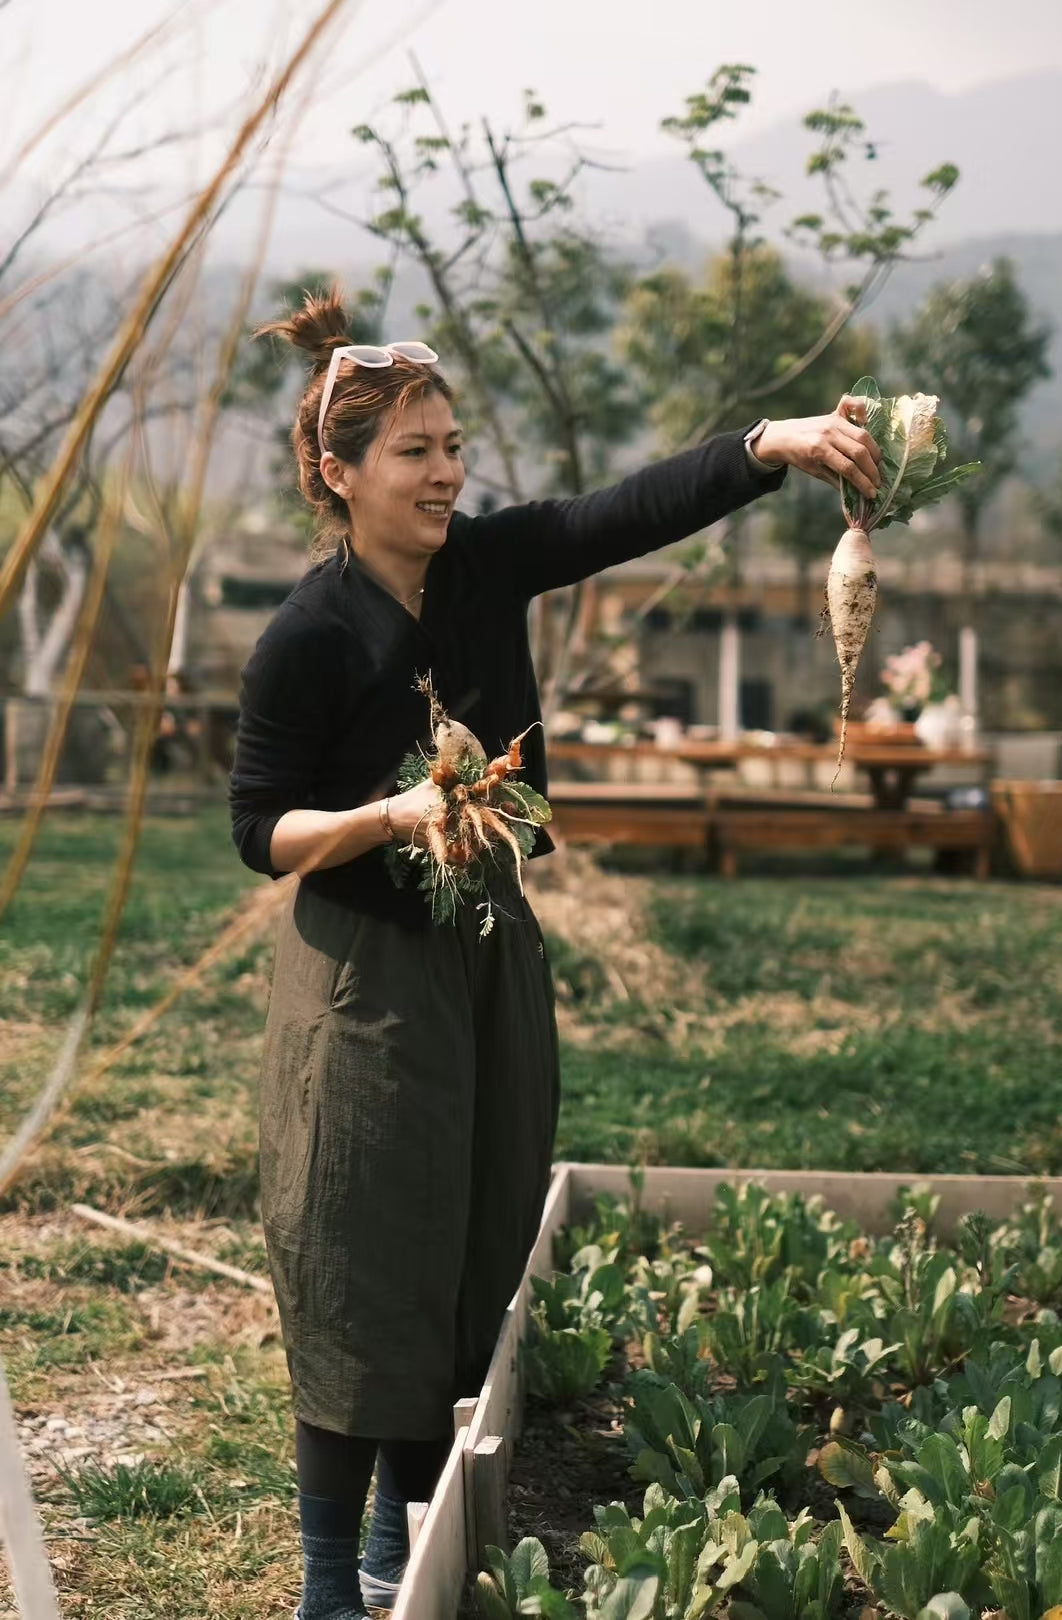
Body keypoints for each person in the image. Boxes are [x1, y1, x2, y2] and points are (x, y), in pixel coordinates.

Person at [229, 288, 882, 1620]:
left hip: (487, 956)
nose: (447, 471)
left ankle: (399, 1551)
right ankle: (321, 1576)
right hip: (360, 976)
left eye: (454, 444)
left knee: (471, 1239)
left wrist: (776, 443)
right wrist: (391, 816)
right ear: (338, 474)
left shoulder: (482, 568)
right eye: (416, 452)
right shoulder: (305, 636)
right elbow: (263, 831)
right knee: (360, 1251)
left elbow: (623, 513)